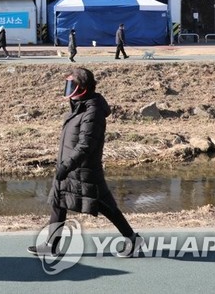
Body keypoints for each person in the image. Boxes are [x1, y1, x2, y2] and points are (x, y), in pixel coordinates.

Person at [28, 67, 142, 258]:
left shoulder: (93, 112)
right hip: (70, 167)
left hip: (85, 170)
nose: (69, 91)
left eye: (72, 86)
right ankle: (51, 245)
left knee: (106, 207)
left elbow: (86, 145)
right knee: (58, 203)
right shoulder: (79, 107)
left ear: (83, 88)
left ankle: (132, 238)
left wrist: (66, 165)